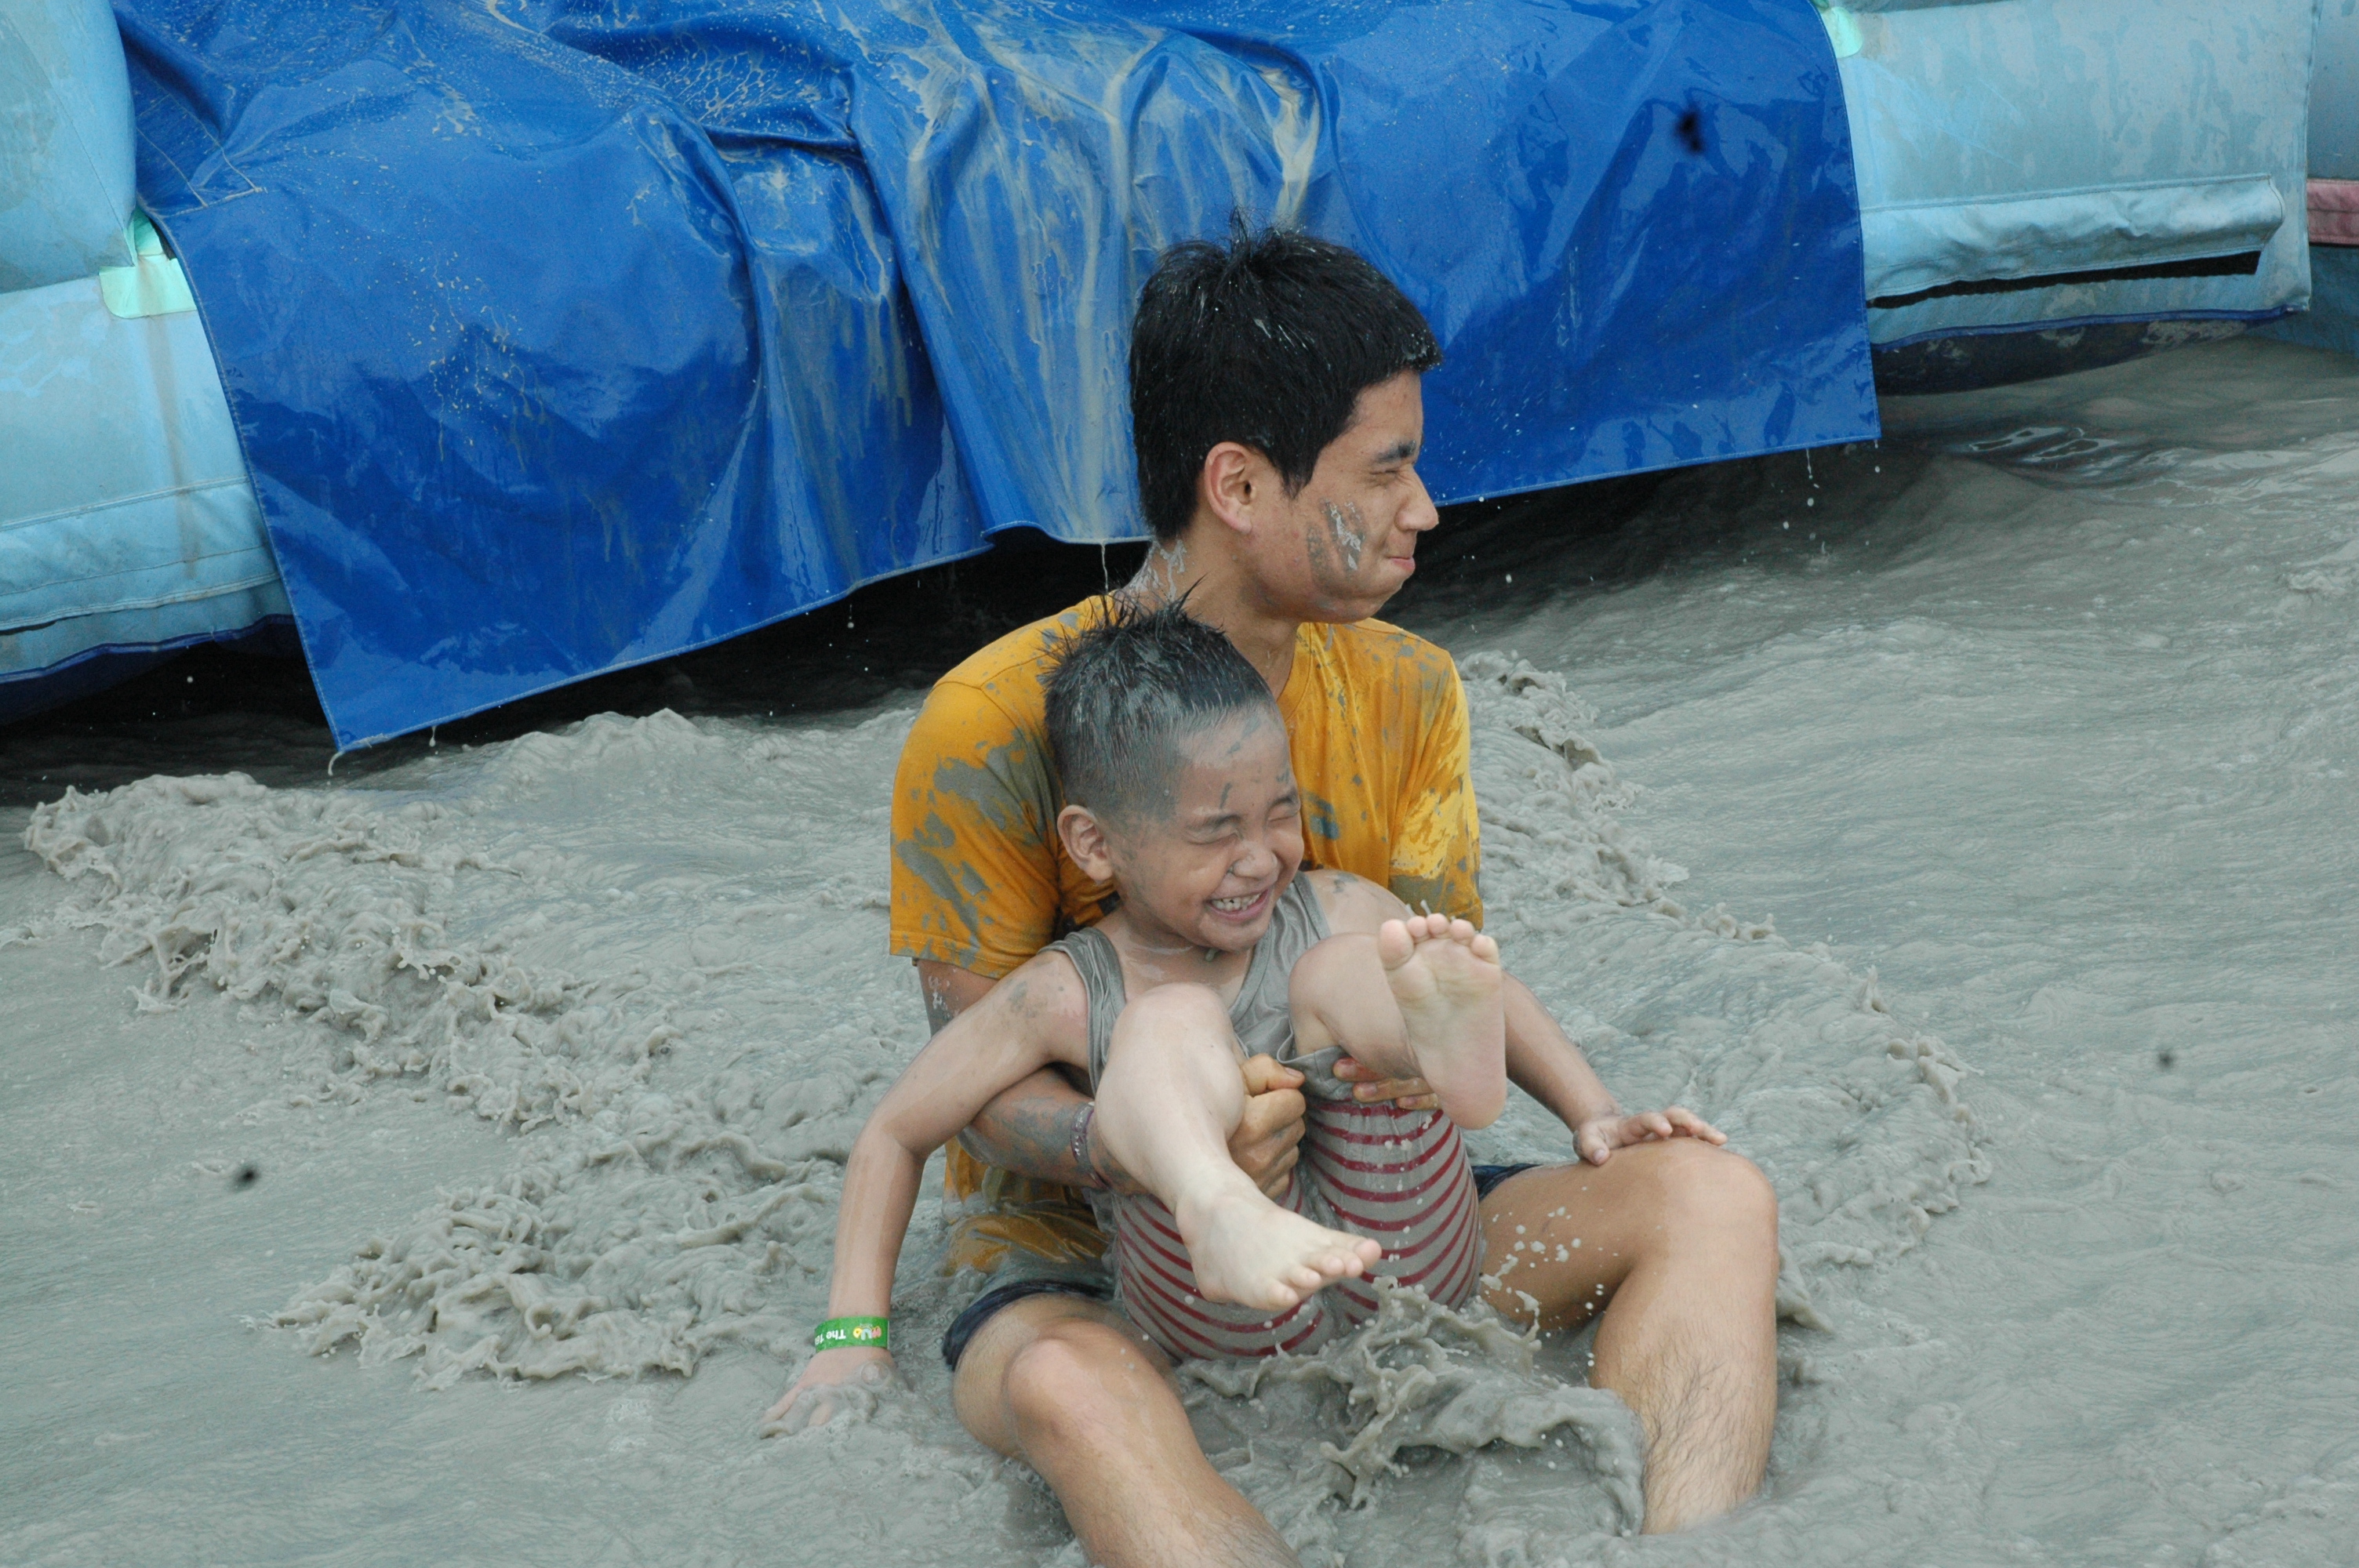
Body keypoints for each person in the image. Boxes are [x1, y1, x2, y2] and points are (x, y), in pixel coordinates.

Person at [776, 223, 1779, 1560]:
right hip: (1091, 1255)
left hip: (1372, 1210)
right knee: (1073, 1387)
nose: (1425, 508)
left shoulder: (1410, 690)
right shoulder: (987, 726)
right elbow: (968, 1079)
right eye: (1389, 467)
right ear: (1239, 486)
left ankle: (1690, 1550)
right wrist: (1129, 1147)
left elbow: (1433, 980)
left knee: (1711, 1197)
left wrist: (1550, 1102)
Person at [772, 601, 1561, 1417]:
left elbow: (1489, 983)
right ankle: (1211, 1197)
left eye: (1281, 812)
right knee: (1167, 1018)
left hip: (1411, 1246)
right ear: (1093, 844)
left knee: (1347, 966)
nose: (1259, 857)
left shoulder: (1333, 903)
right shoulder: (1069, 988)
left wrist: (1597, 1114)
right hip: (1217, 1307)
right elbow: (896, 1129)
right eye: (1214, 832)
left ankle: (1445, 1062)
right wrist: (849, 1339)